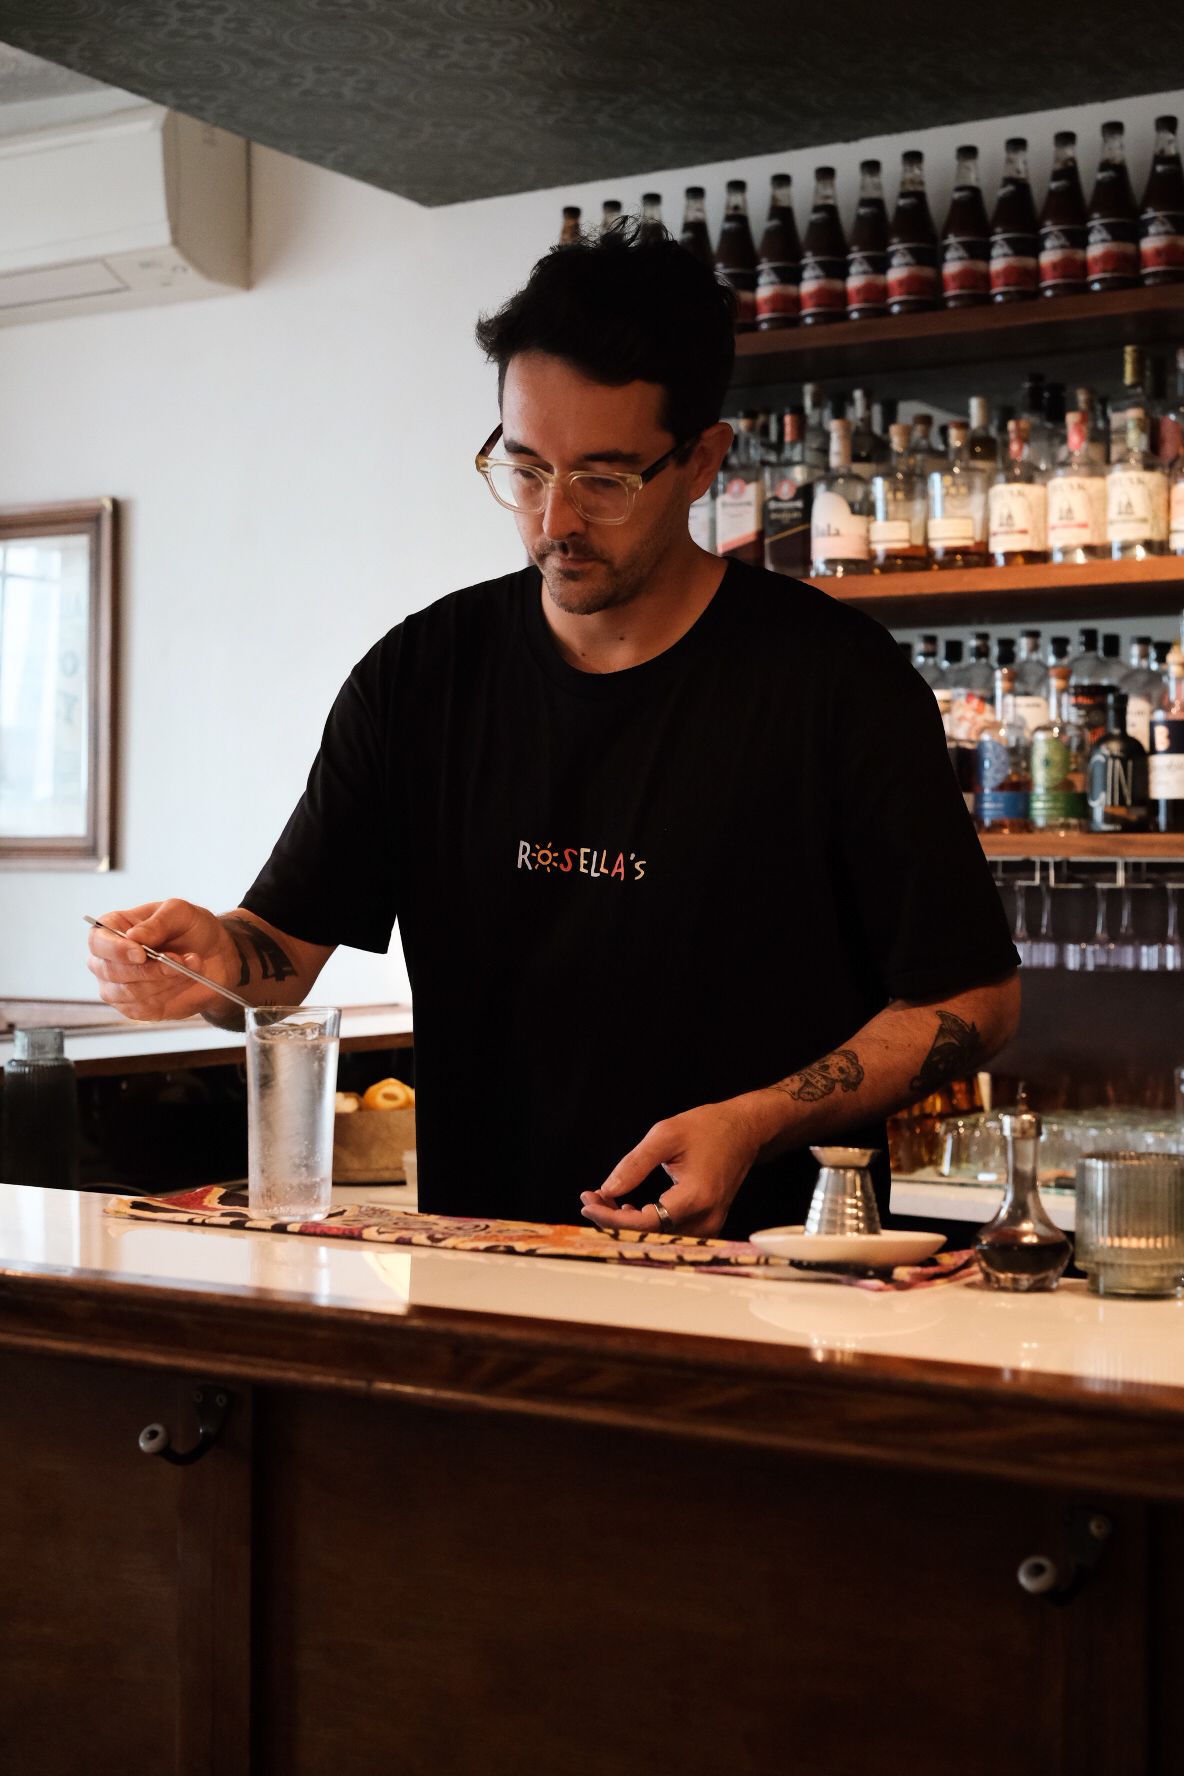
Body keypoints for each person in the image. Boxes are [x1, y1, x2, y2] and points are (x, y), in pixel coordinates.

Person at [87, 221, 1020, 1241]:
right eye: (526, 469)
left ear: (702, 461)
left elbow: (976, 998)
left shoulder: (833, 680)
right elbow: (281, 952)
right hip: (483, 1263)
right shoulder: (419, 676)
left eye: (605, 479)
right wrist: (212, 959)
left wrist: (759, 1121)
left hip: (770, 1276)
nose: (555, 521)